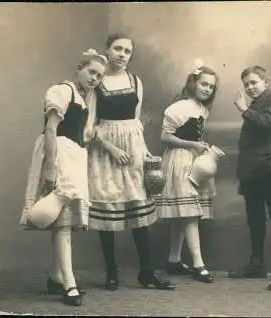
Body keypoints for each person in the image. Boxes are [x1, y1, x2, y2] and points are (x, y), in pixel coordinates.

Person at [20, 49, 107, 306]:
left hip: (73, 157)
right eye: (91, 72)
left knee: (65, 221)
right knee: (63, 224)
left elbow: (79, 134)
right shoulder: (62, 90)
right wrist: (50, 167)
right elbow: (51, 129)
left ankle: (56, 277)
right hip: (58, 155)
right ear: (79, 67)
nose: (94, 79)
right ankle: (69, 284)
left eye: (99, 76)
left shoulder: (82, 99)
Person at [87, 33, 175, 291]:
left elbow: (136, 123)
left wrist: (145, 151)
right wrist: (111, 148)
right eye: (117, 48)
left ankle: (146, 272)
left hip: (133, 149)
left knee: (138, 209)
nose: (122, 54)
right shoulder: (96, 82)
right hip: (106, 150)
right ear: (107, 50)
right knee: (109, 206)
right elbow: (89, 126)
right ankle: (111, 272)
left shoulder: (136, 81)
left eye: (127, 51)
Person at [227, 66, 271, 290]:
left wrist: (242, 108)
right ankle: (257, 264)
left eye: (254, 82)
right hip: (252, 169)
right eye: (246, 84)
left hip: (268, 168)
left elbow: (266, 122)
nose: (250, 87)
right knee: (255, 217)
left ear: (266, 82)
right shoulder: (257, 103)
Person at [156, 61, 218, 283]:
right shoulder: (179, 108)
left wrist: (201, 147)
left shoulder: (203, 109)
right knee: (190, 212)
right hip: (179, 158)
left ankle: (173, 260)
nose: (207, 89)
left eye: (211, 87)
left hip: (193, 160)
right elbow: (165, 137)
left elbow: (196, 136)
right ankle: (198, 264)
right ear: (194, 83)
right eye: (204, 84)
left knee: (183, 213)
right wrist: (191, 145)